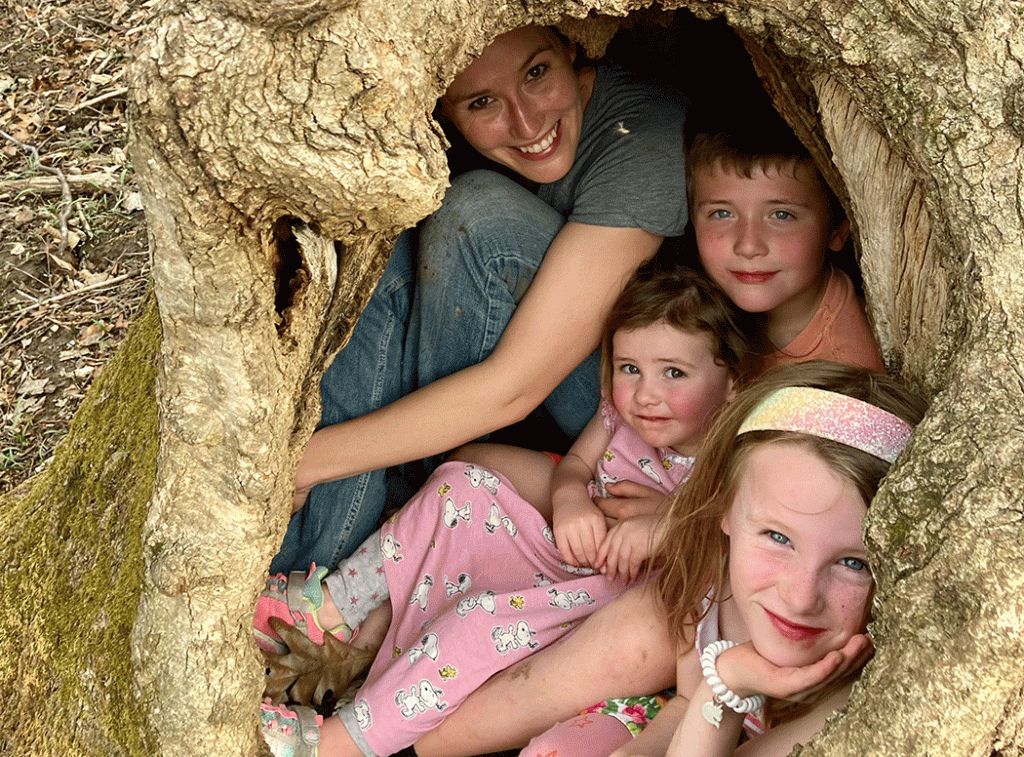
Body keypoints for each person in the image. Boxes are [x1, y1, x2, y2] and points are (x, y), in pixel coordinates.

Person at [255, 264, 753, 757]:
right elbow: (577, 464)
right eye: (629, 369)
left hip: (611, 604)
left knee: (475, 624)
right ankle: (331, 609)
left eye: (674, 373)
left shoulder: (734, 453)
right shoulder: (621, 414)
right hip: (564, 550)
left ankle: (336, 744)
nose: (646, 394)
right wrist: (570, 496)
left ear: (732, 382)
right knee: (463, 488)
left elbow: (740, 537)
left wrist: (669, 524)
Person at [272, 23, 690, 574]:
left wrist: (302, 462)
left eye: (537, 73)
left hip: (642, 407)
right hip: (508, 394)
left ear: (573, 44)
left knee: (480, 219)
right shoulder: (429, 141)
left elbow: (514, 388)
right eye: (483, 102)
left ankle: (399, 517)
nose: (527, 122)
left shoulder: (640, 136)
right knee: (378, 251)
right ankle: (304, 571)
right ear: (441, 106)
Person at [517, 362, 926, 757]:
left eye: (854, 564)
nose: (801, 598)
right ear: (724, 509)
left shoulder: (849, 703)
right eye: (778, 537)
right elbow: (686, 703)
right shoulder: (714, 585)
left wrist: (729, 685)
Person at [686, 117, 886, 374]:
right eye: (722, 214)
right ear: (693, 223)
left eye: (781, 215)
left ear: (837, 231)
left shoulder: (844, 374)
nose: (748, 246)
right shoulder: (690, 308)